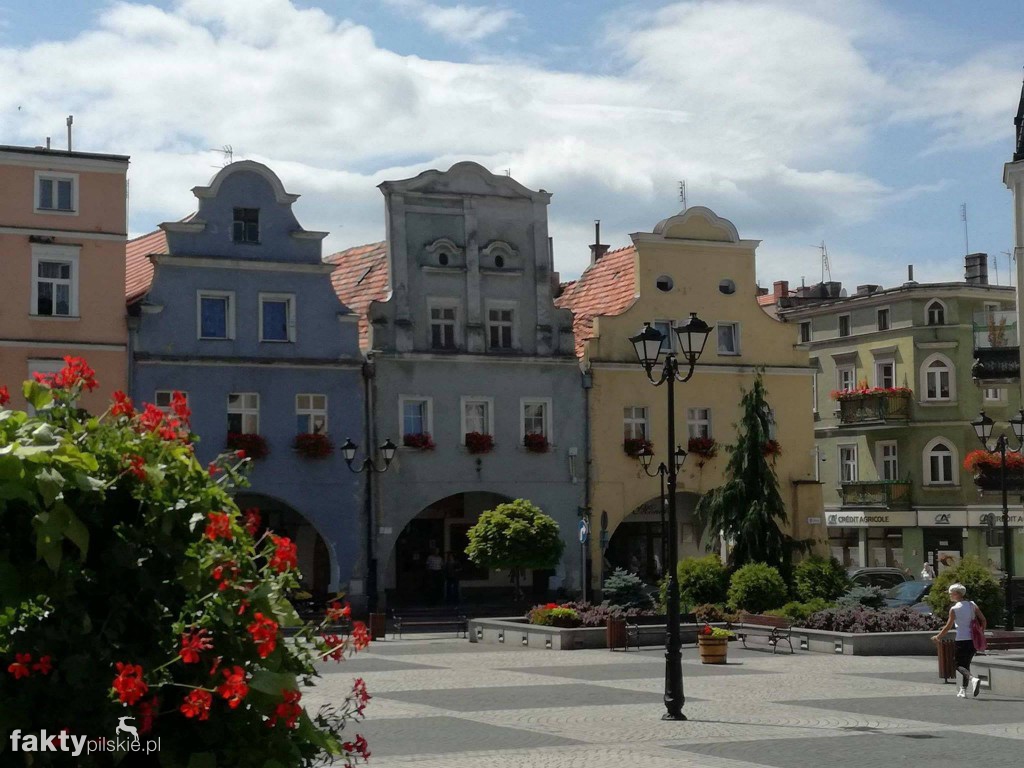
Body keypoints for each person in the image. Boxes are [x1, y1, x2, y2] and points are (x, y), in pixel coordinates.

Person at [931, 583, 987, 698]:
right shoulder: (972, 605)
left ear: (957, 594)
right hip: (973, 640)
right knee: (966, 665)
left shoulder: (954, 609)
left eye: (951, 594)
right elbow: (983, 620)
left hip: (961, 639)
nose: (950, 596)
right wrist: (981, 632)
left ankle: (973, 679)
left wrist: (938, 636)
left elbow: (948, 626)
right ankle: (963, 690)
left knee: (957, 664)